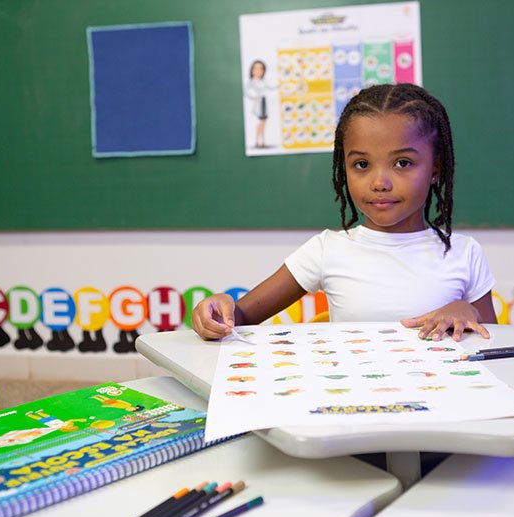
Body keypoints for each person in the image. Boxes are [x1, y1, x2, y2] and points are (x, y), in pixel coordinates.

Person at [193, 83, 497, 342]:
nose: (380, 182)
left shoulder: (465, 253)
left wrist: (466, 311)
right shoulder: (326, 250)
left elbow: (501, 345)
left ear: (436, 170)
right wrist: (219, 310)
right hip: (351, 405)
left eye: (403, 163)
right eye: (362, 165)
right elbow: (240, 316)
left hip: (446, 404)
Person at [245, 60, 271, 148]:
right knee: (259, 122)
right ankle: (256, 141)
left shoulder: (263, 81)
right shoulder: (252, 81)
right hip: (258, 103)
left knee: (264, 122)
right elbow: (247, 91)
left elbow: (270, 87)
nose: (258, 71)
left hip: (264, 103)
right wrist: (254, 97)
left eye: (261, 69)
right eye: (256, 68)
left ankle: (263, 141)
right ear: (252, 70)